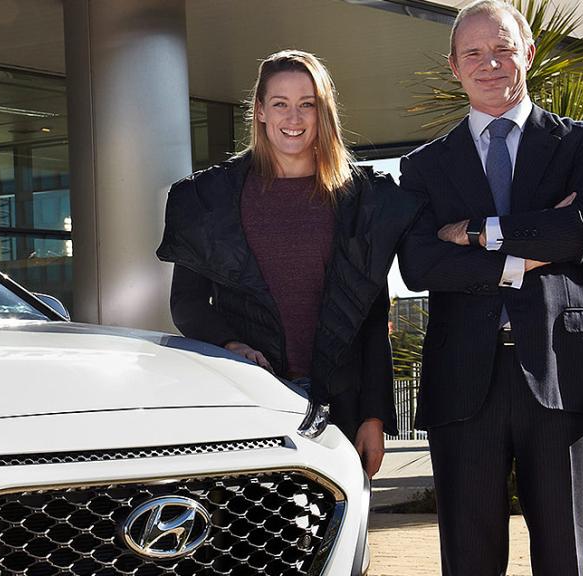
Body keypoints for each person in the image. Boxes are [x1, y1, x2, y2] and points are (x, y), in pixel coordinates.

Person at [397, 1, 583, 574]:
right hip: (463, 380)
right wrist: (521, 259)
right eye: (473, 53)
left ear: (527, 54)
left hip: (564, 369)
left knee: (563, 557)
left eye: (503, 48)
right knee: (470, 559)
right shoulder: (424, 166)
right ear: (454, 66)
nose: (490, 63)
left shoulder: (582, 142)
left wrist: (480, 232)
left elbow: (577, 229)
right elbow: (421, 265)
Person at [156, 50, 423, 477]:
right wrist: (232, 346)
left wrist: (374, 417)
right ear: (260, 111)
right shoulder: (207, 199)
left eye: (307, 104)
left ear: (323, 112)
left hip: (341, 405)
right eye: (279, 103)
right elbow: (187, 303)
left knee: (338, 539)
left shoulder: (362, 201)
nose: (293, 117)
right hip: (249, 401)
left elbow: (372, 317)